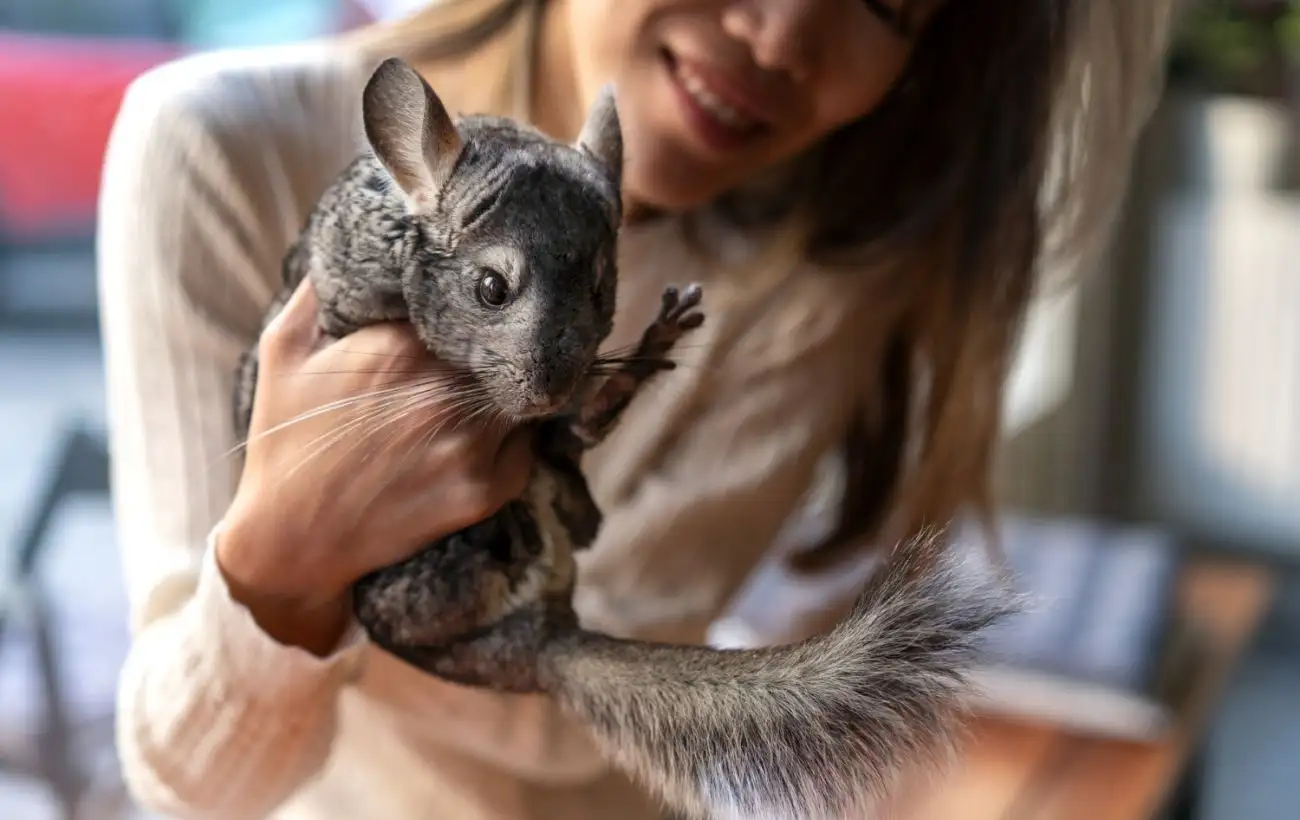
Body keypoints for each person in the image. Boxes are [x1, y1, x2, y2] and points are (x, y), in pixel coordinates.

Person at [96, 1, 1176, 818]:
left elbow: (593, 695)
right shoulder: (216, 149)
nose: (782, 34)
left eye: (888, 0)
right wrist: (284, 557)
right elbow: (194, 777)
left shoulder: (833, 266)